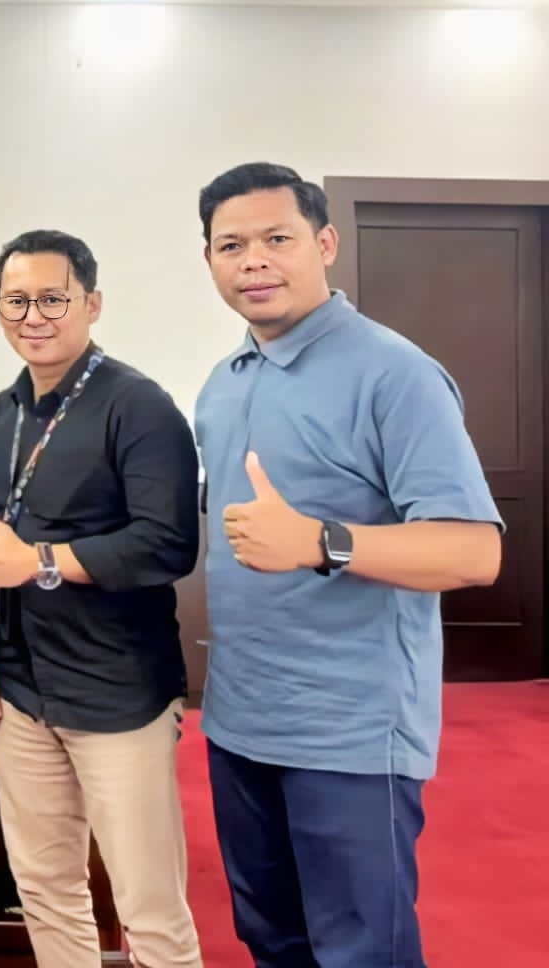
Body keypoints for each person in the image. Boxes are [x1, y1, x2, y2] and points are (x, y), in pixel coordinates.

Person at [194, 162, 503, 967]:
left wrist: (321, 542)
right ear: (210, 260)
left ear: (325, 244)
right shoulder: (222, 385)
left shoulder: (396, 373)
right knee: (273, 941)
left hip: (352, 734)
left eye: (277, 238)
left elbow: (475, 551)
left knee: (363, 953)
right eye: (232, 245)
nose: (254, 261)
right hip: (239, 720)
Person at [0, 230, 203, 967]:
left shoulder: (139, 406)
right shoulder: (4, 410)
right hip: (21, 689)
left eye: (52, 299)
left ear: (91, 305)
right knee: (45, 888)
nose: (33, 317)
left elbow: (167, 544)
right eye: (16, 301)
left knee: (147, 904)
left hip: (117, 691)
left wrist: (39, 562)